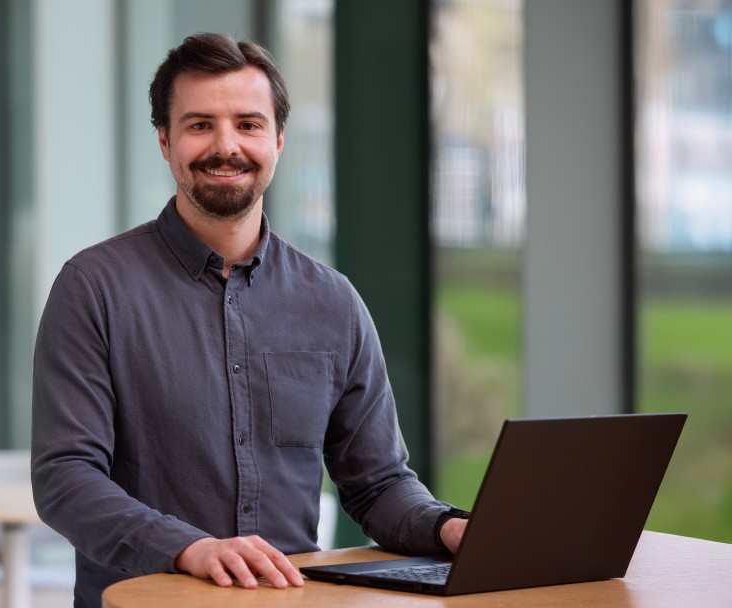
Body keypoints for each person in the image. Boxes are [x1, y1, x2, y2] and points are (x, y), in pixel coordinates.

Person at [31, 32, 469, 608]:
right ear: (164, 141)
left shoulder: (333, 302)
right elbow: (66, 478)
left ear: (279, 140)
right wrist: (190, 548)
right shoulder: (93, 288)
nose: (225, 145)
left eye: (248, 123)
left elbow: (378, 484)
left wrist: (449, 527)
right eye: (199, 125)